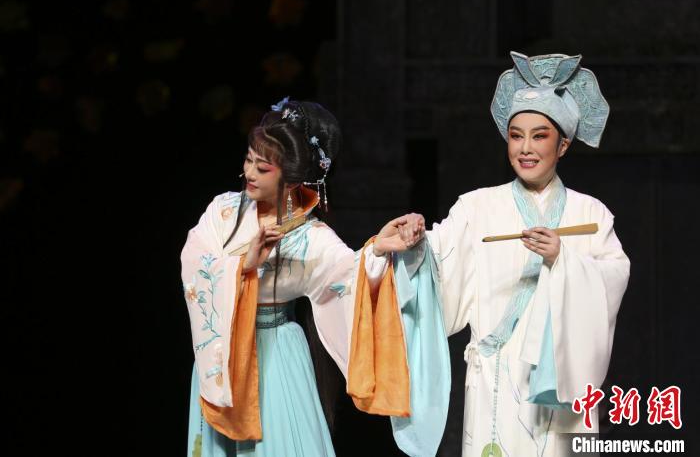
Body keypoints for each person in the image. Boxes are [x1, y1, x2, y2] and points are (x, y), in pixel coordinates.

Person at [180, 98, 439, 457]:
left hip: (275, 353)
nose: (250, 173)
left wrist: (379, 248)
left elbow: (350, 277)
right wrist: (244, 265)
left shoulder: (312, 238)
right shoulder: (223, 210)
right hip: (221, 355)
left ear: (291, 178)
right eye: (248, 160)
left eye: (262, 167)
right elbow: (195, 261)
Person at [404, 52, 630, 456]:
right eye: (515, 135)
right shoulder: (475, 207)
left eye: (539, 136)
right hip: (494, 376)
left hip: (562, 377)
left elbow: (613, 279)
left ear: (563, 145)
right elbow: (435, 264)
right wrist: (411, 244)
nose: (525, 148)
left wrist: (563, 260)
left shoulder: (591, 213)